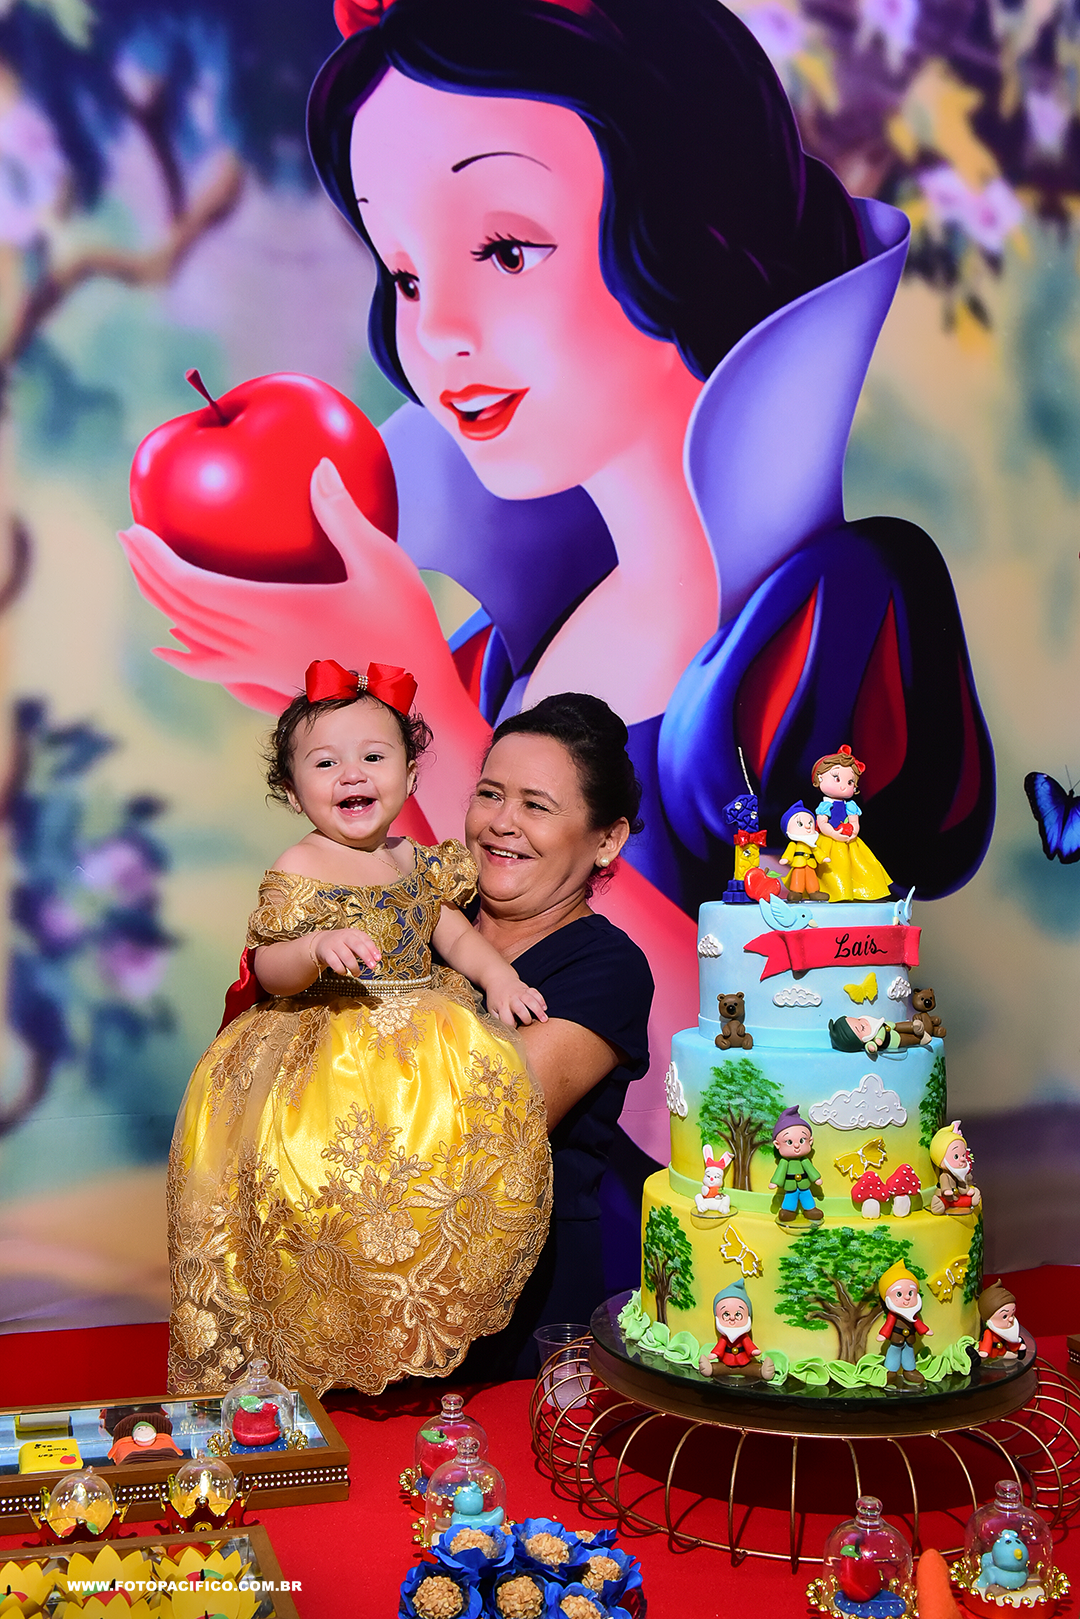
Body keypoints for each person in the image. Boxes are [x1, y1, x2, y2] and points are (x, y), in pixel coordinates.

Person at [120, 0, 994, 1163]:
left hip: (700, 1253)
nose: (439, 332)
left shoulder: (826, 620)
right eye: (407, 274)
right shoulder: (504, 650)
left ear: (690, 230)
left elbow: (780, 1109)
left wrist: (430, 705)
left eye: (506, 251)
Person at [166, 658, 552, 1398]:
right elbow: (268, 965)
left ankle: (405, 1317)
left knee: (424, 1180)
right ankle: (319, 1333)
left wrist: (500, 977)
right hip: (324, 1050)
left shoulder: (413, 861)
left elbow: (452, 934)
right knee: (323, 1190)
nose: (352, 774)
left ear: (409, 776)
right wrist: (314, 948)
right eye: (325, 763)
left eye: (374, 757)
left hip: (418, 1044)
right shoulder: (302, 862)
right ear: (292, 790)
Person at [455, 691, 655, 1377]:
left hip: (515, 1318)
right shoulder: (423, 925)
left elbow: (488, 1122)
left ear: (607, 840)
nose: (501, 823)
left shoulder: (607, 968)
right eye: (490, 794)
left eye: (535, 806)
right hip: (359, 1285)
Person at [811, 745, 892, 902]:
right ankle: (835, 891)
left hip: (850, 841)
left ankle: (861, 891)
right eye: (836, 778)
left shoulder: (851, 805)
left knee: (861, 865)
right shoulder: (825, 805)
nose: (843, 786)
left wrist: (854, 831)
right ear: (820, 778)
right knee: (833, 868)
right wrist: (833, 833)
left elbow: (854, 820)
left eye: (850, 782)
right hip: (829, 841)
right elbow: (822, 823)